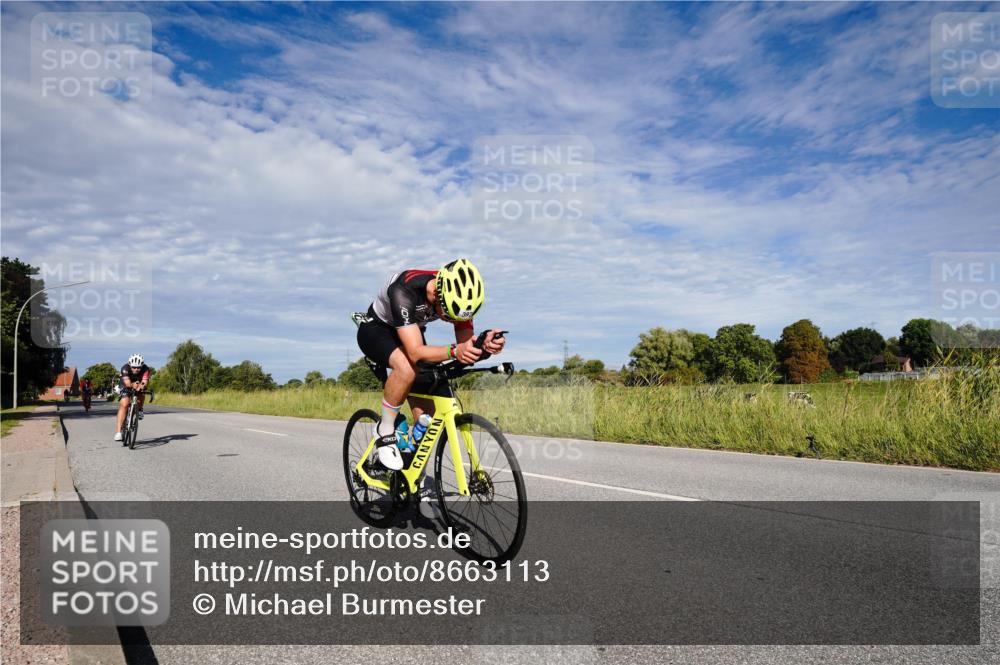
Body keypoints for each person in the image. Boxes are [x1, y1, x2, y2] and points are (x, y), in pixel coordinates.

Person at [356, 259, 505, 471]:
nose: (452, 321)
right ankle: (384, 429)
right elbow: (415, 352)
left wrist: (484, 346)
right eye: (448, 316)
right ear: (437, 295)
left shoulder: (458, 297)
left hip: (410, 331)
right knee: (407, 368)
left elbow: (465, 346)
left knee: (428, 420)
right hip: (378, 330)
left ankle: (416, 482)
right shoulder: (405, 289)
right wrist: (454, 350)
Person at [114, 354, 150, 441]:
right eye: (134, 367)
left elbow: (144, 382)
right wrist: (133, 385)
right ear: (130, 365)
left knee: (142, 392)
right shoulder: (125, 368)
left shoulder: (146, 369)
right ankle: (118, 432)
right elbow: (127, 383)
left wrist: (142, 386)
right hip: (126, 384)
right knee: (124, 404)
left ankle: (140, 409)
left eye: (138, 367)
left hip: (138, 383)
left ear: (142, 366)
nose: (136, 369)